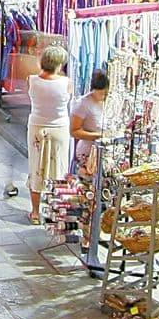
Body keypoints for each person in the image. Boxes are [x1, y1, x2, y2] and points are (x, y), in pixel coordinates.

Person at [26, 44, 74, 224]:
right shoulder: (66, 83)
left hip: (37, 127)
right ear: (59, 65)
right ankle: (57, 211)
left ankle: (35, 212)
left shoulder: (31, 80)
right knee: (59, 169)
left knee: (36, 168)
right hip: (60, 128)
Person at [70, 69, 120, 176]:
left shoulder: (108, 102)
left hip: (105, 152)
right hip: (88, 151)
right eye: (101, 93)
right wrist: (98, 136)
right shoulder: (83, 104)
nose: (103, 96)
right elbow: (74, 131)